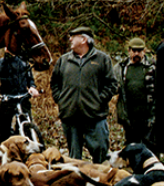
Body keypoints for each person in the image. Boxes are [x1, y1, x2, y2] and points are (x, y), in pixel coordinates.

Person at [50, 26, 117, 162]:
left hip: (94, 116)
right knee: (74, 159)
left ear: (83, 39)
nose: (70, 39)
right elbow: (54, 83)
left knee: (101, 154)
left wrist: (99, 101)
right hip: (70, 117)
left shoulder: (102, 59)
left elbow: (112, 84)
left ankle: (100, 181)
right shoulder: (63, 60)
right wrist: (61, 100)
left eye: (73, 36)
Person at [0, 45, 40, 143]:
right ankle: (2, 151)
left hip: (22, 98)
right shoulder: (1, 62)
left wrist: (32, 87)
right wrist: (6, 58)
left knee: (26, 127)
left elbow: (30, 79)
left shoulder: (23, 63)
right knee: (4, 132)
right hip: (8, 99)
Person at [114, 38, 155, 146]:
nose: (136, 53)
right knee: (132, 147)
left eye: (139, 51)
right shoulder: (121, 68)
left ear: (144, 51)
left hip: (148, 116)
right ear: (129, 51)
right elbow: (113, 87)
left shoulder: (152, 67)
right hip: (129, 116)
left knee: (150, 147)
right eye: (134, 50)